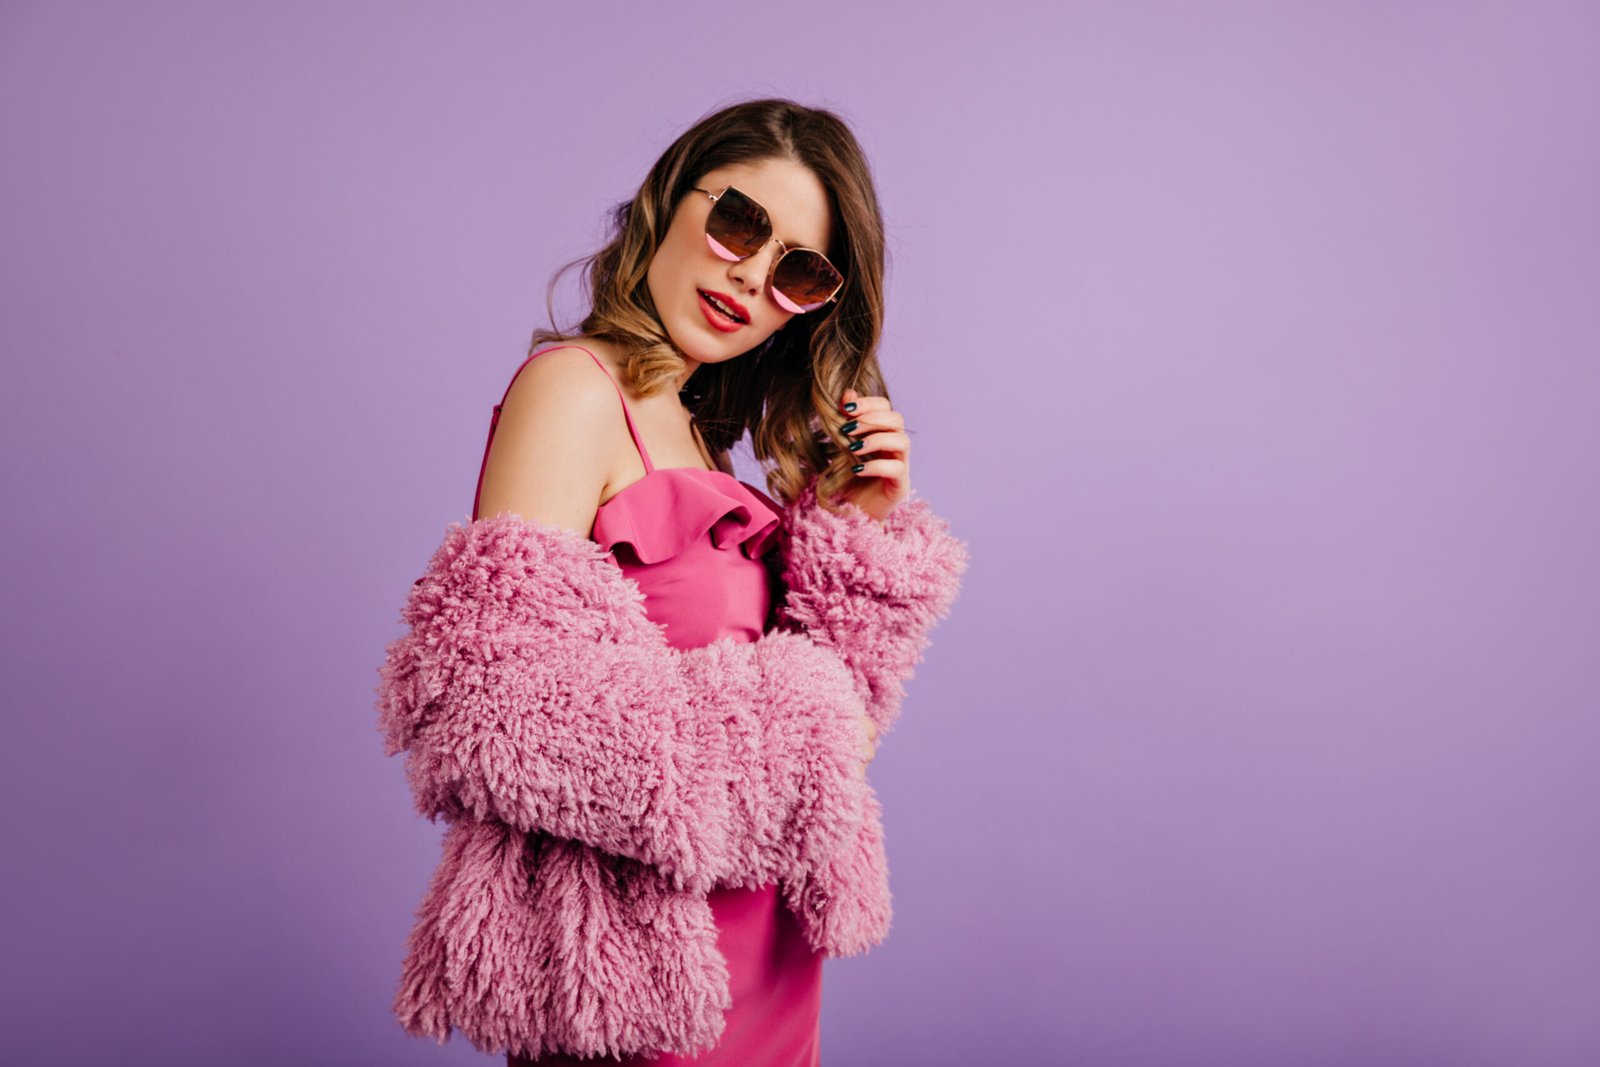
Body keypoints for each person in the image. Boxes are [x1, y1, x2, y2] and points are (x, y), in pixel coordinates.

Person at [379, 97, 968, 1065]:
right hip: (643, 978)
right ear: (666, 201)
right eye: (739, 222)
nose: (749, 272)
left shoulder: (703, 444)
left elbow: (835, 750)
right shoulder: (575, 389)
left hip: (765, 963)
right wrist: (795, 711)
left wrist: (856, 533)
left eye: (799, 271)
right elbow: (492, 705)